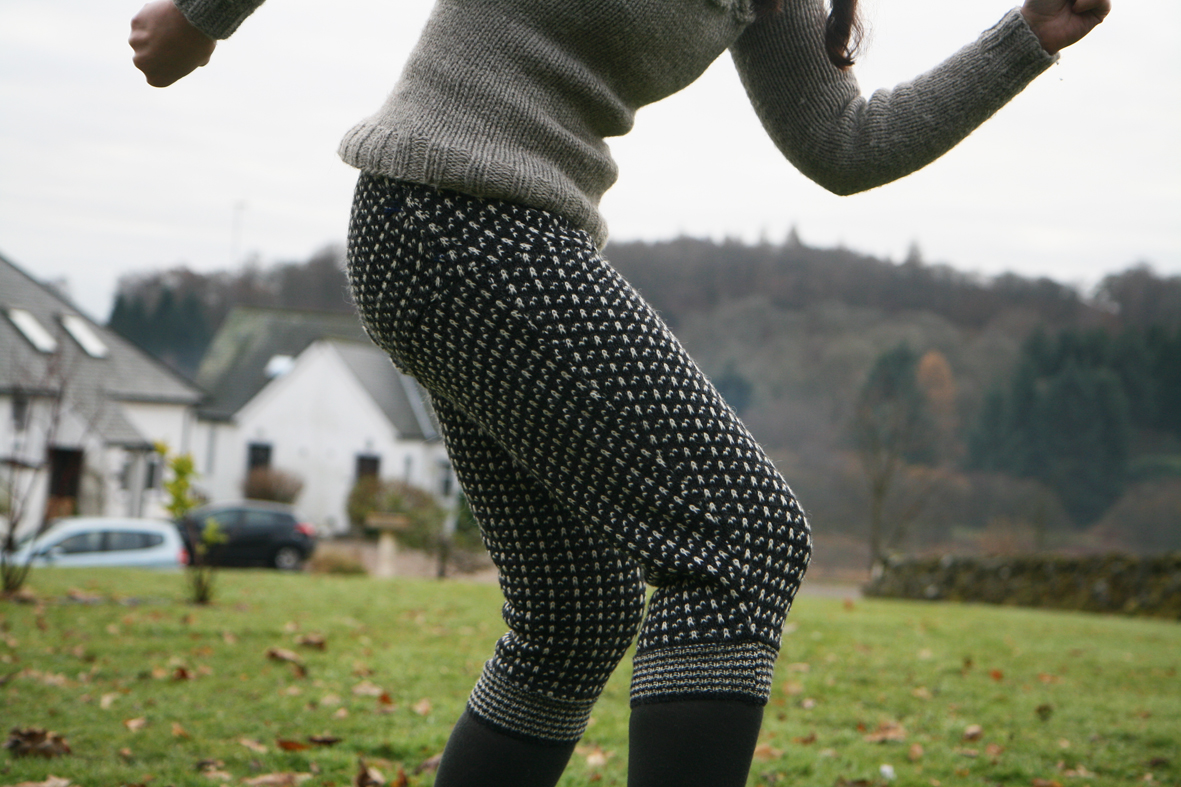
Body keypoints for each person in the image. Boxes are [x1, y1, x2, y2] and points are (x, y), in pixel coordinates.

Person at [130, 0, 1109, 784]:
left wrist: (1025, 36)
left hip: (489, 234)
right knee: (743, 535)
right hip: (452, 221)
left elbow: (843, 144)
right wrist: (200, 17)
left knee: (576, 613)